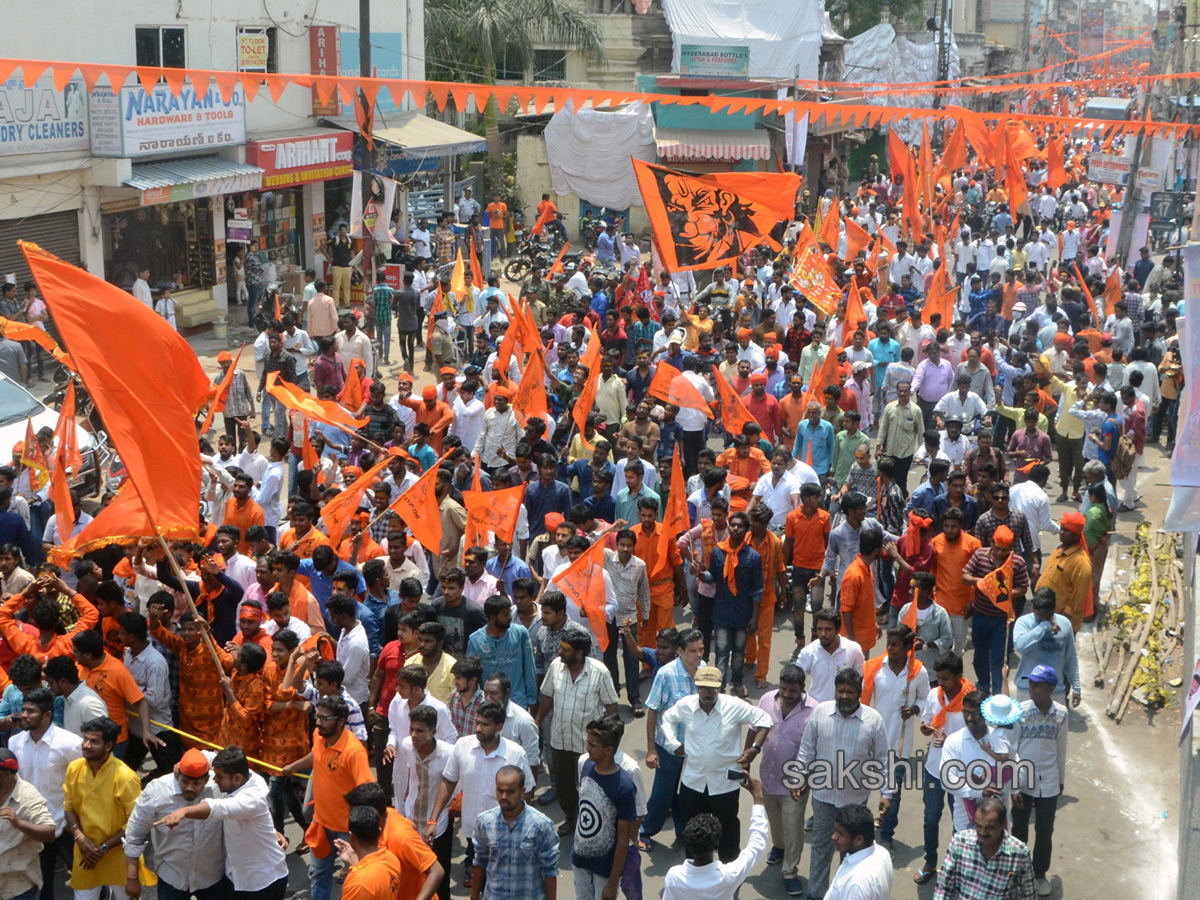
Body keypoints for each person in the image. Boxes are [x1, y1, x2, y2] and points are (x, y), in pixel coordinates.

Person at [793, 669, 891, 900]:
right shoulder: (821, 713)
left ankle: (844, 893)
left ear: (859, 693)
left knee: (850, 851)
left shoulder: (873, 720)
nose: (845, 695)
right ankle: (816, 895)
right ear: (835, 691)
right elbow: (807, 748)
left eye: (850, 691)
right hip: (823, 797)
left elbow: (883, 759)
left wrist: (886, 793)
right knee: (821, 847)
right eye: (841, 690)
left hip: (854, 801)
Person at [660, 665, 771, 861]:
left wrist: (754, 750)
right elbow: (667, 719)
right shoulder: (686, 705)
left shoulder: (734, 706)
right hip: (693, 782)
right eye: (703, 687)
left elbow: (764, 719)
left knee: (728, 833)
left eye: (712, 688)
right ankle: (696, 875)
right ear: (696, 687)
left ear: (719, 688)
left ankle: (729, 878)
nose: (707, 693)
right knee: (693, 834)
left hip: (725, 784)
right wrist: (673, 744)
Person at [153, 746, 290, 900]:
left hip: (263, 881)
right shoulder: (242, 774)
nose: (214, 779)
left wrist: (183, 812)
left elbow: (219, 808)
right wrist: (185, 763)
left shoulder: (252, 797)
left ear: (236, 778)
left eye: (219, 776)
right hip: (234, 877)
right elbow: (207, 756)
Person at [427, 700, 535, 884]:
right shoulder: (463, 746)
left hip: (505, 834)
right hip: (472, 829)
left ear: (499, 726)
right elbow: (449, 781)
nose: (478, 728)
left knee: (501, 883)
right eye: (477, 722)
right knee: (480, 877)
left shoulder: (515, 754)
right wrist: (433, 819)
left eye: (485, 724)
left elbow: (528, 793)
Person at [285, 695, 375, 900]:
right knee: (319, 876)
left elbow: (368, 791)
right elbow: (315, 754)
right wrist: (294, 766)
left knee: (356, 880)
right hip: (321, 824)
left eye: (325, 718)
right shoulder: (319, 735)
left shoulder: (354, 752)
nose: (318, 722)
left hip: (347, 830)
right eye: (318, 716)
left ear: (341, 721)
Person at [535, 632, 618, 836]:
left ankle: (595, 823)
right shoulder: (556, 666)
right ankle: (571, 820)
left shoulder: (599, 672)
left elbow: (612, 708)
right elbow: (547, 697)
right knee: (564, 788)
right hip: (560, 740)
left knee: (591, 788)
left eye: (566, 649)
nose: (560, 651)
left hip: (588, 746)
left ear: (580, 653)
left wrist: (610, 742)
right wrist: (537, 721)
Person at [62, 717, 148, 900]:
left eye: (94, 741)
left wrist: (103, 848)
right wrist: (80, 838)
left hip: (119, 856)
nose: (86, 745)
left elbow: (136, 823)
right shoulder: (74, 768)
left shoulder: (125, 776)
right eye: (85, 739)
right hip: (85, 853)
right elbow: (68, 807)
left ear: (108, 746)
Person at [122, 749, 225, 900]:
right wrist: (132, 879)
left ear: (207, 779)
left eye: (196, 783)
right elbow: (134, 835)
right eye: (185, 782)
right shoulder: (156, 792)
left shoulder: (220, 789)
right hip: (172, 877)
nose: (189, 788)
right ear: (177, 775)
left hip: (212, 877)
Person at [10, 688, 80, 900]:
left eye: (30, 711)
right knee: (43, 883)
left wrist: (77, 819)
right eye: (23, 710)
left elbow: (81, 783)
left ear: (47, 714)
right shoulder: (15, 743)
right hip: (35, 827)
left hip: (65, 825)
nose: (24, 715)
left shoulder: (70, 744)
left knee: (82, 876)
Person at [757, 664, 819, 896]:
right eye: (783, 689)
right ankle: (779, 846)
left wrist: (805, 778)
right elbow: (755, 728)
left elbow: (816, 749)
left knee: (793, 826)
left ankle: (790, 871)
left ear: (803, 688)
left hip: (796, 783)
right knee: (775, 819)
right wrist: (747, 755)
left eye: (792, 691)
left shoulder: (815, 711)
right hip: (768, 774)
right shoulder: (766, 699)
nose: (786, 694)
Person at [639, 628, 703, 851]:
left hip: (695, 749)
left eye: (701, 649)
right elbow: (653, 711)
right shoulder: (666, 675)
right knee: (663, 794)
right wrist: (651, 750)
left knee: (687, 793)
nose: (699, 655)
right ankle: (645, 831)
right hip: (668, 748)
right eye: (694, 650)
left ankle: (683, 831)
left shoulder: (705, 671)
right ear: (680, 651)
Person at [660, 775, 769, 900]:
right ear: (717, 844)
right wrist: (758, 799)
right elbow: (757, 845)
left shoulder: (674, 877)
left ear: (688, 844)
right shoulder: (729, 875)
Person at [915, 651, 973, 885]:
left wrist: (949, 740)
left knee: (960, 821)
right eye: (938, 678)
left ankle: (954, 864)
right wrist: (927, 730)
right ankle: (930, 861)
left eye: (946, 679)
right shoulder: (934, 695)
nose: (941, 684)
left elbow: (976, 735)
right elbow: (927, 723)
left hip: (960, 772)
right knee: (930, 818)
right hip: (934, 768)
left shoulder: (971, 700)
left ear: (960, 676)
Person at [1012, 664, 1070, 897]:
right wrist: (1014, 785)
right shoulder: (1021, 711)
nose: (1032, 688)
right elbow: (1012, 748)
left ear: (1050, 688)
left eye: (1037, 684)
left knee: (1045, 830)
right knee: (1019, 828)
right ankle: (1018, 872)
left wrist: (1061, 779)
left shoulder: (1061, 714)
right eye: (1031, 683)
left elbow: (1061, 748)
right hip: (1023, 780)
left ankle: (1038, 874)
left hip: (1048, 781)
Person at [571, 717, 638, 900]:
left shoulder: (624, 786)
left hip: (604, 868)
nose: (587, 748)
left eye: (592, 745)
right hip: (579, 859)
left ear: (608, 750)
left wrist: (613, 882)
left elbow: (623, 839)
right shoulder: (585, 765)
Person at [697, 511, 763, 697]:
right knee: (721, 653)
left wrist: (755, 617)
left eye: (739, 526)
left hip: (743, 613)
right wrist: (701, 575)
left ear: (746, 530)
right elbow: (712, 577)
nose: (735, 528)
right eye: (732, 525)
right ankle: (719, 688)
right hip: (722, 612)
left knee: (739, 653)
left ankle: (737, 683)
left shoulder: (753, 557)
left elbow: (757, 589)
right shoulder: (718, 552)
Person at [472, 766, 559, 900]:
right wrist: (474, 896)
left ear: (522, 791)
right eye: (500, 791)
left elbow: (550, 871)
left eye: (510, 792)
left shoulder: (541, 825)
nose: (504, 797)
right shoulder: (485, 822)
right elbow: (480, 861)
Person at [934, 796, 1036, 900]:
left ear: (1003, 824)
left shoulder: (1019, 853)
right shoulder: (959, 842)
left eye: (990, 827)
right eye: (978, 826)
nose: (982, 833)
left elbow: (1028, 895)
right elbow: (943, 888)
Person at [0, 746, 56, 900]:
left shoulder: (27, 797)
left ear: (5, 774)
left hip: (16, 889)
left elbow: (49, 832)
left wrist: (19, 824)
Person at [1013, 587, 1081, 705]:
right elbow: (1020, 646)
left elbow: (1070, 658)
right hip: (1027, 690)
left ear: (1054, 609)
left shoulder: (1065, 624)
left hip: (1055, 691)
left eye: (1047, 615)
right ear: (1034, 609)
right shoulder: (1024, 622)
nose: (1044, 618)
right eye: (1040, 615)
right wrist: (1045, 625)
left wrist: (1077, 687)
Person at [1036, 513, 1092, 633]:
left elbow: (1077, 603)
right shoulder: (1059, 550)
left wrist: (1057, 622)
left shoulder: (1081, 563)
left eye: (1066, 531)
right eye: (1061, 528)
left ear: (1076, 535)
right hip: (1044, 618)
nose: (1061, 532)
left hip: (1059, 625)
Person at [825, 804, 894, 900]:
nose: (834, 837)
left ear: (859, 840)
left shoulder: (856, 884)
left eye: (840, 833)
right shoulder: (882, 853)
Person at [797, 608, 865, 703]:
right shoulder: (808, 652)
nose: (823, 634)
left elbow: (861, 679)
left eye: (828, 629)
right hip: (816, 708)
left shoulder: (854, 650)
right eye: (819, 629)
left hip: (845, 708)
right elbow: (795, 681)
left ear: (838, 630)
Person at [332, 807, 401, 900]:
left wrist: (355, 871)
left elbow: (368, 881)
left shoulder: (358, 884)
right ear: (380, 832)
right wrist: (356, 864)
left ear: (351, 837)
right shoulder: (391, 858)